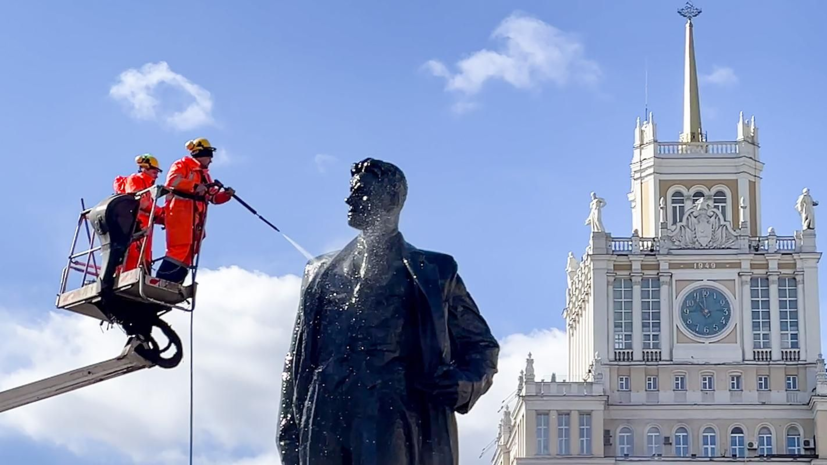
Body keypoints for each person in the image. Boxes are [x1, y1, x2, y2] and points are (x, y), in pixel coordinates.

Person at [277, 158, 499, 465]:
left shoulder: (434, 271)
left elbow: (480, 345)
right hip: (323, 411)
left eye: (362, 191)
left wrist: (464, 383)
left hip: (391, 411)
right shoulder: (319, 271)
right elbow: (297, 360)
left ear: (392, 199)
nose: (349, 199)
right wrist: (289, 435)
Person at [155, 138, 234, 284]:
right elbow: (172, 182)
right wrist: (194, 186)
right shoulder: (182, 164)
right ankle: (162, 281)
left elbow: (213, 197)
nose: (211, 160)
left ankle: (175, 282)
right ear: (202, 153)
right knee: (179, 248)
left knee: (190, 250)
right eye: (210, 155)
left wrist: (226, 195)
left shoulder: (204, 174)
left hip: (195, 219)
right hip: (179, 214)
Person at [112, 154, 165, 272]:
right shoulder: (136, 179)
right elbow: (139, 202)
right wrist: (160, 211)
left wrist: (165, 217)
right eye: (154, 171)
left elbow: (150, 210)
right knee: (131, 260)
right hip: (135, 230)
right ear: (144, 168)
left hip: (144, 234)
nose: (156, 174)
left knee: (142, 261)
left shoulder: (149, 188)